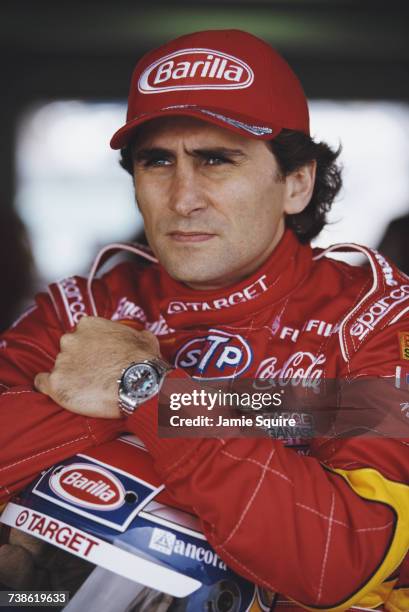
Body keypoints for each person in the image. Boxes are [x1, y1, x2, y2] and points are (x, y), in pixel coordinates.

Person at [0, 29, 408, 611]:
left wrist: (146, 389)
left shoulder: (382, 320)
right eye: (157, 161)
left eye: (216, 159)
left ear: (297, 183)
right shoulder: (79, 306)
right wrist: (278, 408)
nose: (182, 197)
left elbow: (339, 559)